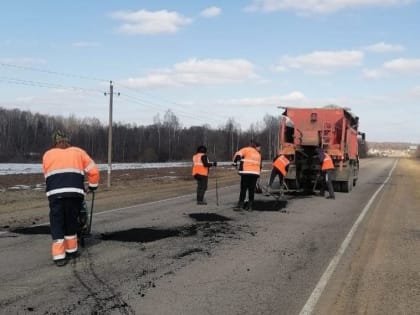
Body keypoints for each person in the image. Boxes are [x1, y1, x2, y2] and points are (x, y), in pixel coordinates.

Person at [42, 130, 100, 266]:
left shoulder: (47, 155)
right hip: (74, 194)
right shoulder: (78, 152)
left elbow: (46, 175)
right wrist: (92, 187)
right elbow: (94, 171)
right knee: (71, 221)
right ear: (68, 141)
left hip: (55, 194)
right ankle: (72, 250)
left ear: (55, 141)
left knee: (57, 223)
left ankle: (59, 256)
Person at [232, 140, 262, 211]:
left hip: (246, 172)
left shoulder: (245, 149)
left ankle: (241, 205)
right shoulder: (258, 154)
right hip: (255, 173)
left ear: (249, 145)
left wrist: (235, 163)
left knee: (243, 189)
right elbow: (260, 165)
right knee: (251, 190)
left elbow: (238, 155)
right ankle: (250, 206)